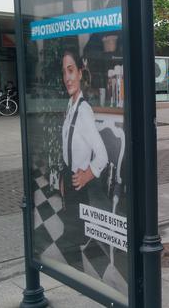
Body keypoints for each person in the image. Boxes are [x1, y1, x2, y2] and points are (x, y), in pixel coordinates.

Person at [57, 49, 108, 270]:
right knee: (71, 229)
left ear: (79, 72)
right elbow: (68, 143)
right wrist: (63, 174)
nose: (67, 78)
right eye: (64, 72)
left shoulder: (84, 110)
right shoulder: (71, 105)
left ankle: (78, 270)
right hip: (69, 178)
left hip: (78, 182)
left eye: (71, 70)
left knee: (72, 237)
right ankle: (76, 266)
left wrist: (88, 174)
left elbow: (102, 155)